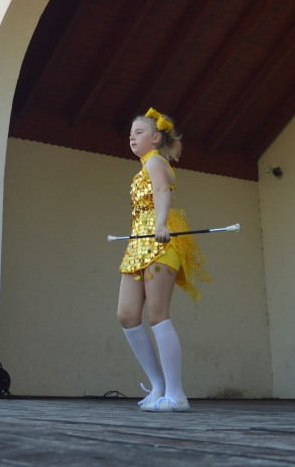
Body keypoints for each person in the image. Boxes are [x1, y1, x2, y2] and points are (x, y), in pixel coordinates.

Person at [117, 110, 210, 412]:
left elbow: (161, 192)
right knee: (127, 315)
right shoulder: (143, 167)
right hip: (137, 243)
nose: (132, 136)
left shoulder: (156, 162)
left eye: (139, 132)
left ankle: (176, 394)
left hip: (158, 241)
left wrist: (160, 225)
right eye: (131, 133)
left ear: (156, 138)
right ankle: (158, 386)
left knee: (158, 315)